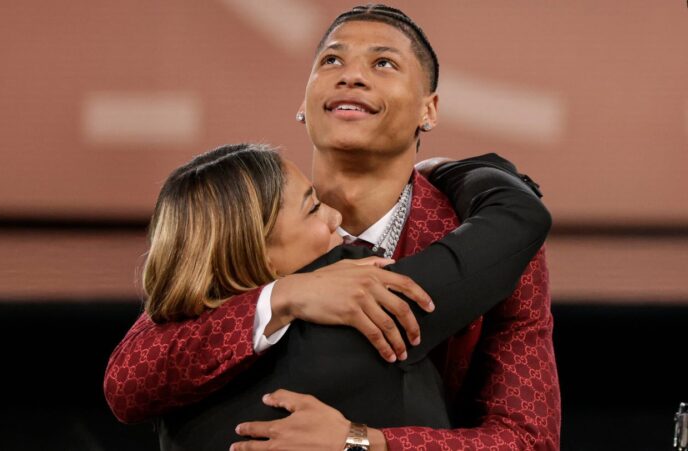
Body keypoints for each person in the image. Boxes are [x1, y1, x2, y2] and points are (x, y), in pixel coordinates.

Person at [106, 4, 560, 450]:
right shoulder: (248, 217)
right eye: (331, 60)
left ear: (429, 110)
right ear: (303, 102)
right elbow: (132, 378)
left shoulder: (491, 241)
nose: (352, 75)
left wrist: (360, 442)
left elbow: (527, 438)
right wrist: (284, 296)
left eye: (383, 63)